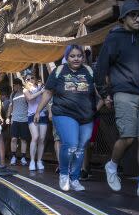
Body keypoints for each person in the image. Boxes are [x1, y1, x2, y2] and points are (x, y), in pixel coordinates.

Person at [94, 0, 139, 200]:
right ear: (123, 19)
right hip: (123, 92)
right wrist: (105, 94)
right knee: (128, 137)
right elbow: (100, 69)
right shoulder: (114, 38)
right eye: (133, 15)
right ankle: (112, 164)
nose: (138, 18)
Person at [35, 45, 97, 192]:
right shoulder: (59, 71)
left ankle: (75, 178)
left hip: (86, 115)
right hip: (64, 113)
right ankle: (64, 174)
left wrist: (105, 99)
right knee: (71, 144)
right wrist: (38, 111)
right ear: (67, 57)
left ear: (83, 57)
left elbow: (97, 90)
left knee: (81, 148)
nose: (76, 59)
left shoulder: (88, 71)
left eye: (79, 56)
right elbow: (48, 92)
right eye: (72, 56)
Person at [24, 75, 47, 171]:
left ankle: (39, 161)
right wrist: (41, 91)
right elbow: (30, 98)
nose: (30, 80)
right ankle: (32, 161)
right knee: (35, 137)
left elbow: (47, 98)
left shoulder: (41, 87)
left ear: (35, 79)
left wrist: (42, 89)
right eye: (27, 79)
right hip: (32, 115)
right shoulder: (25, 90)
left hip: (42, 115)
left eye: (32, 78)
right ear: (25, 81)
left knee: (42, 139)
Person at [8, 79, 29, 166]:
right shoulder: (12, 94)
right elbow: (10, 106)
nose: (14, 87)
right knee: (13, 139)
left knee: (23, 139)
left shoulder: (25, 93)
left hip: (24, 119)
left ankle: (23, 157)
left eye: (15, 85)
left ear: (19, 85)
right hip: (15, 119)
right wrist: (8, 117)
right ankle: (13, 156)